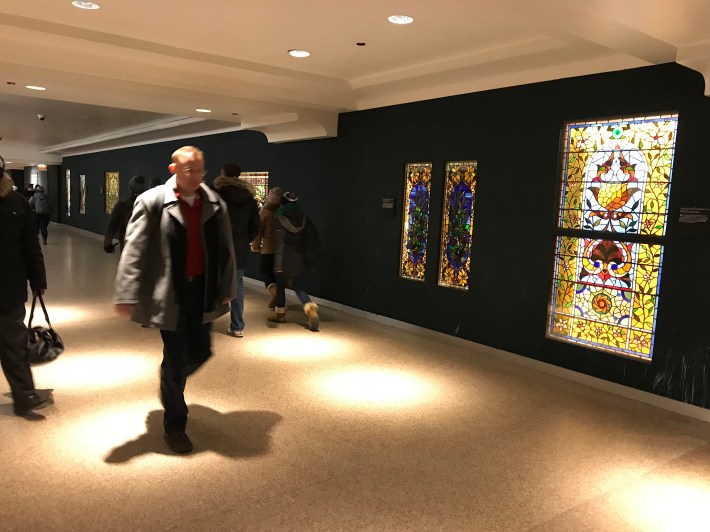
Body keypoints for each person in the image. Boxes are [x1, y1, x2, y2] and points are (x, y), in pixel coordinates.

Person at [113, 146, 236, 454]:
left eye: (199, 170)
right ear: (173, 170)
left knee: (202, 352)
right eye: (188, 170)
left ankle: (170, 379)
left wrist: (227, 285)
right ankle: (175, 424)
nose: (194, 176)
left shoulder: (214, 202)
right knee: (177, 355)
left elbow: (225, 248)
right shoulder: (152, 201)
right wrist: (127, 292)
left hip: (203, 291)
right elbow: (134, 249)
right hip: (170, 293)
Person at [0, 155, 52, 416]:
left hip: (7, 288)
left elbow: (30, 247)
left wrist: (38, 280)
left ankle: (24, 394)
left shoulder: (16, 203)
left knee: (14, 344)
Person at [213, 163, 260, 338]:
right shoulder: (248, 198)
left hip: (217, 246)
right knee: (237, 284)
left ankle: (205, 321)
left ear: (223, 173)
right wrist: (243, 240)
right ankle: (237, 325)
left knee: (211, 282)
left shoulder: (215, 193)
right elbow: (256, 225)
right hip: (239, 248)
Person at [268, 191, 321, 331]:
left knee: (280, 287)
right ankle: (310, 310)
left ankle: (280, 315)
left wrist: (278, 265)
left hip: (285, 259)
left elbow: (280, 245)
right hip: (301, 259)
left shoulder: (280, 219)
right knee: (299, 287)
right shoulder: (304, 218)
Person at [251, 187, 282, 308]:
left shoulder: (265, 212)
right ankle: (280, 305)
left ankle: (274, 293)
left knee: (264, 272)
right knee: (277, 275)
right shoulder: (281, 211)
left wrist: (255, 246)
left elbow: (259, 232)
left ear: (270, 197)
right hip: (281, 249)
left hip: (268, 249)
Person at [103, 175, 147, 253]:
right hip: (146, 247)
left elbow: (112, 226)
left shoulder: (122, 205)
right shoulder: (149, 204)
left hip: (127, 246)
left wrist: (107, 243)